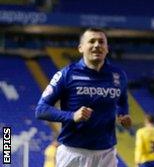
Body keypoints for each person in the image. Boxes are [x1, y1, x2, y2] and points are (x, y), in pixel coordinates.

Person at [35, 28, 131, 167]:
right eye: (92, 41)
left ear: (107, 48)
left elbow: (122, 101)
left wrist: (123, 114)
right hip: (73, 153)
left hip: (107, 154)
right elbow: (41, 110)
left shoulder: (118, 75)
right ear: (81, 48)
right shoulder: (66, 74)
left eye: (101, 42)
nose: (97, 45)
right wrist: (72, 116)